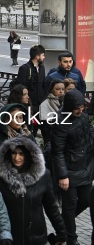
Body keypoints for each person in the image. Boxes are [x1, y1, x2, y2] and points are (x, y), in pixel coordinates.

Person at [0, 136, 67, 245]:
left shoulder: (43, 175)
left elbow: (51, 207)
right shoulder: (0, 174)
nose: (17, 158)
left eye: (21, 154)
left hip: (35, 237)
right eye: (14, 153)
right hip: (9, 237)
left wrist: (61, 233)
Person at [50, 88, 94, 245]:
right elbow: (57, 151)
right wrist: (63, 175)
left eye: (82, 107)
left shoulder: (83, 115)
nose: (80, 110)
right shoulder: (61, 121)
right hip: (69, 169)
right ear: (69, 106)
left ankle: (62, 225)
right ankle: (71, 238)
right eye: (77, 107)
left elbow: (89, 133)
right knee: (70, 206)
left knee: (86, 199)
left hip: (85, 165)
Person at [39, 79, 64, 146]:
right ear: (51, 90)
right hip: (52, 138)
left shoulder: (66, 102)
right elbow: (45, 127)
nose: (61, 91)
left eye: (63, 89)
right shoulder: (45, 104)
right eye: (58, 89)